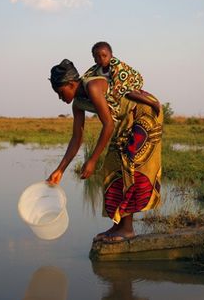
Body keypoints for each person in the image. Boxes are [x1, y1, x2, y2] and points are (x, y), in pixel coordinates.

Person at [47, 56, 163, 243]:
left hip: (143, 112)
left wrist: (92, 160)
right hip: (126, 119)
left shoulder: (92, 87)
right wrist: (60, 170)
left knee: (127, 164)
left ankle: (127, 229)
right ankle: (118, 224)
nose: (61, 98)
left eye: (60, 92)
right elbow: (77, 138)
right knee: (111, 168)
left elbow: (108, 125)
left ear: (70, 84)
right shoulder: (78, 104)